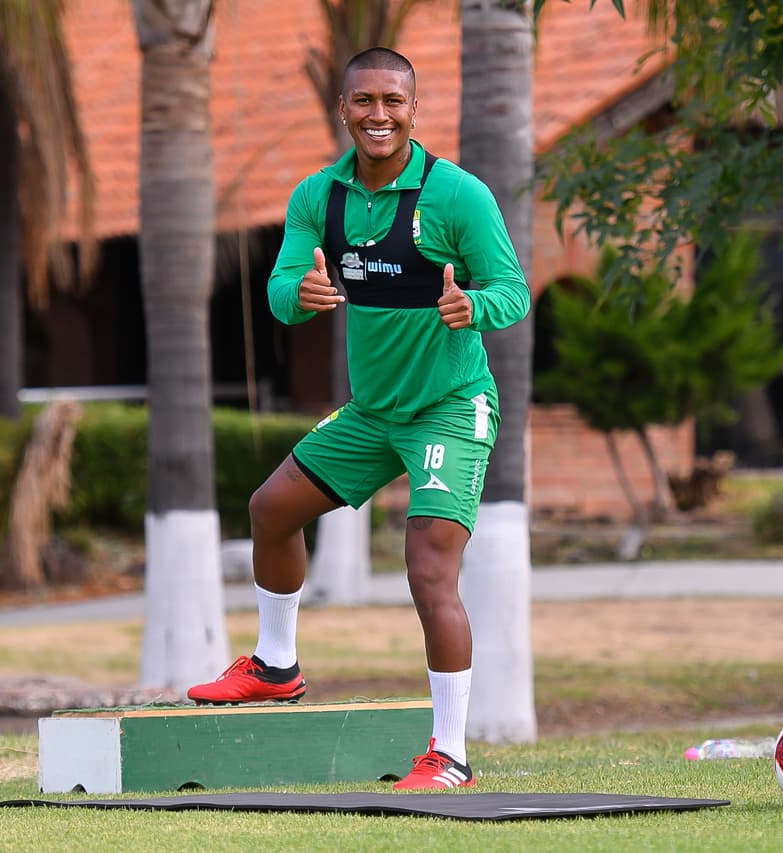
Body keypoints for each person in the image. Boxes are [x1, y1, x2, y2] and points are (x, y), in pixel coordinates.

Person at [187, 46, 530, 791]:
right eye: (364, 102)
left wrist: (475, 304)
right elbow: (281, 284)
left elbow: (514, 289)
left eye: (393, 102)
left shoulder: (459, 196)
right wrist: (299, 294)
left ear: (415, 108)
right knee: (271, 508)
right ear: (342, 110)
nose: (379, 115)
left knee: (428, 570)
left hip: (449, 408)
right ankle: (276, 665)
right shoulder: (319, 197)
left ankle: (450, 755)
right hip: (373, 411)